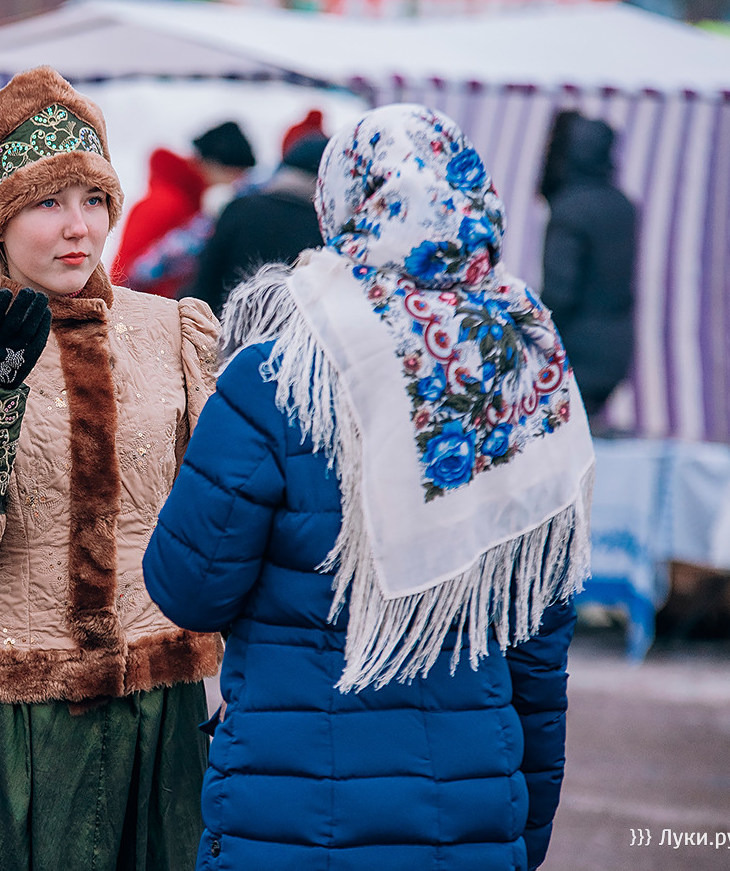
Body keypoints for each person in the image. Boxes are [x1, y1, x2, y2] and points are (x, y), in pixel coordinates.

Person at [143, 104, 595, 870]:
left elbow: (189, 590)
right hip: (472, 813)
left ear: (341, 205)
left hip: (285, 813)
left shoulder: (278, 374)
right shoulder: (527, 381)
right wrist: (526, 824)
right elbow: (538, 646)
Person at [0, 65, 224, 870]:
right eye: (47, 203)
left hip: (157, 709)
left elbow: (220, 524)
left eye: (93, 200)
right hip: (3, 721)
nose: (78, 229)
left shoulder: (174, 335)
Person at [539, 110, 638, 426]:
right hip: (618, 347)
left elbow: (560, 291)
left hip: (577, 348)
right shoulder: (622, 206)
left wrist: (536, 334)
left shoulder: (570, 210)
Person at [189, 132, 329, 316]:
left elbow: (204, 282)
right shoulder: (324, 228)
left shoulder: (241, 208)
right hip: (286, 330)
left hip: (221, 323)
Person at [111, 119, 255, 295]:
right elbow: (124, 276)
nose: (238, 184)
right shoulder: (166, 203)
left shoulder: (197, 204)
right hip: (151, 308)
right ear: (211, 165)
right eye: (236, 175)